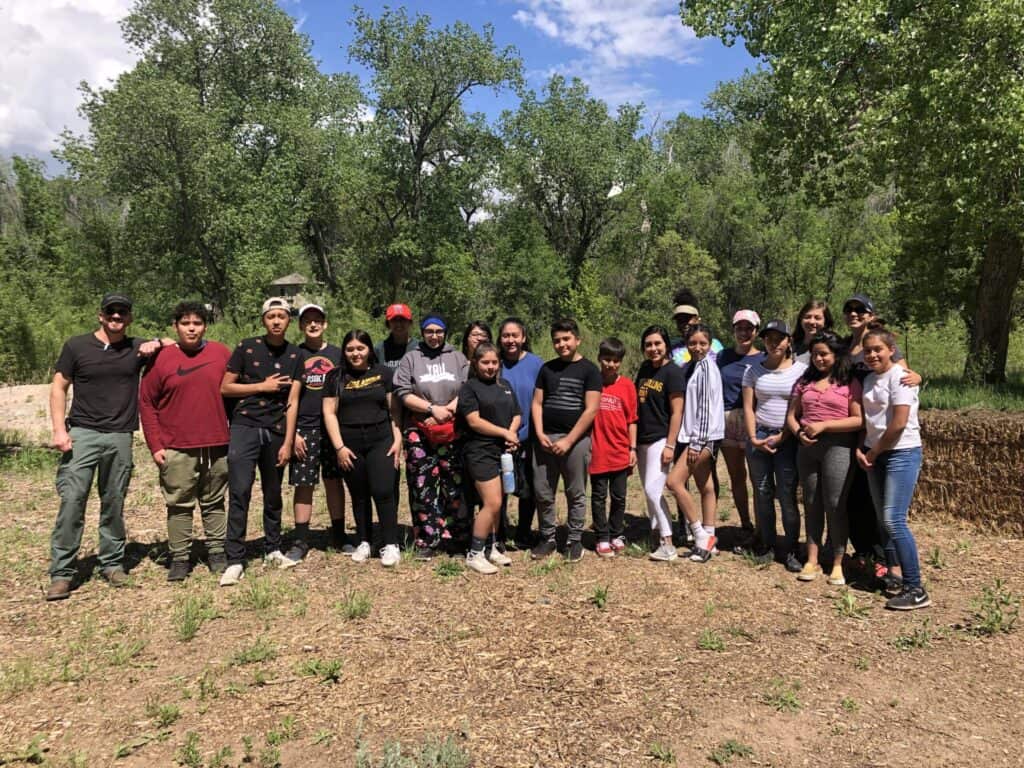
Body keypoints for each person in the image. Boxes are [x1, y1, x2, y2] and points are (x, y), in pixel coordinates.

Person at [46, 293, 162, 600]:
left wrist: (158, 342)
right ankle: (62, 573)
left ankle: (112, 563)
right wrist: (59, 430)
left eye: (122, 313)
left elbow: (178, 344)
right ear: (101, 315)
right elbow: (59, 386)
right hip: (82, 433)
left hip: (120, 436)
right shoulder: (76, 346)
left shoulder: (137, 348)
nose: (116, 317)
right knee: (72, 500)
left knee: (114, 502)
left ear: (130, 318)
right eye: (111, 312)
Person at [139, 301, 232, 582]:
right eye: (185, 323)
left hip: (216, 443)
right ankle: (179, 557)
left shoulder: (220, 353)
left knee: (215, 501)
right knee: (179, 504)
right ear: (175, 326)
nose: (192, 328)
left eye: (197, 323)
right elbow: (146, 403)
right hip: (176, 446)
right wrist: (156, 445)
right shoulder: (162, 358)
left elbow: (236, 393)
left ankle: (217, 552)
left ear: (205, 326)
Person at [218, 297, 304, 586]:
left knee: (273, 492)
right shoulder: (246, 347)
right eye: (271, 316)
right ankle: (234, 558)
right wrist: (262, 386)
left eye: (281, 316)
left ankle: (273, 547)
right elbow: (225, 387)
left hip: (277, 430)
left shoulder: (296, 355)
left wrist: (288, 441)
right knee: (240, 491)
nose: (276, 321)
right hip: (245, 426)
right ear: (263, 320)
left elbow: (292, 402)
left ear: (289, 320)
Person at [841, 294, 921, 583]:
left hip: (892, 446)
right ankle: (885, 564)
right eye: (848, 309)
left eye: (859, 309)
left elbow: (905, 379)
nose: (853, 313)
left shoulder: (890, 363)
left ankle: (907, 577)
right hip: (863, 438)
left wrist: (917, 377)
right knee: (867, 505)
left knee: (891, 517)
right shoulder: (846, 349)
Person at [856, 323, 930, 610]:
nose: (873, 354)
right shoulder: (870, 379)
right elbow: (869, 421)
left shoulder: (901, 377)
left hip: (901, 452)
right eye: (868, 350)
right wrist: (863, 450)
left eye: (878, 349)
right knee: (881, 518)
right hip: (875, 452)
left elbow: (898, 424)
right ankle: (894, 574)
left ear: (891, 350)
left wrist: (872, 452)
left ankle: (916, 587)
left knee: (894, 519)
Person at [322, 330, 404, 567]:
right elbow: (329, 412)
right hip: (349, 443)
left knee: (383, 490)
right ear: (344, 352)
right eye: (350, 349)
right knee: (358, 494)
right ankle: (365, 540)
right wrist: (339, 447)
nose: (355, 354)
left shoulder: (384, 374)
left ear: (369, 350)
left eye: (360, 348)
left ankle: (390, 543)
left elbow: (395, 411)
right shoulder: (335, 377)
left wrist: (398, 439)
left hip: (382, 441)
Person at [785, 332, 862, 585]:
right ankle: (812, 558)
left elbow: (859, 419)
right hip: (807, 447)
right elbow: (791, 415)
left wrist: (826, 426)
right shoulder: (803, 381)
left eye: (824, 354)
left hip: (837, 447)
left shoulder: (848, 382)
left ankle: (838, 561)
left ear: (836, 355)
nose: (818, 359)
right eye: (815, 354)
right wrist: (798, 432)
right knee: (811, 502)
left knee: (835, 503)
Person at [393, 314, 469, 559]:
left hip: (451, 429)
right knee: (421, 486)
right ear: (422, 332)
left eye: (438, 331)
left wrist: (448, 410)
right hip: (419, 430)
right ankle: (427, 540)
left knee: (453, 485)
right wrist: (430, 409)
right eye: (429, 331)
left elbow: (468, 387)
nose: (434, 336)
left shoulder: (457, 357)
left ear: (445, 332)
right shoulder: (412, 358)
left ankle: (455, 539)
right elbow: (403, 391)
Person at [530, 319, 602, 563]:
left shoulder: (590, 370)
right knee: (543, 491)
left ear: (577, 340)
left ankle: (574, 539)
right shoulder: (547, 369)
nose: (561, 344)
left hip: (576, 441)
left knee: (576, 492)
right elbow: (537, 403)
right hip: (545, 440)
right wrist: (540, 434)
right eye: (557, 340)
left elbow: (591, 410)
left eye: (566, 339)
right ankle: (548, 537)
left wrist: (569, 440)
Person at [281, 304, 348, 566]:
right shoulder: (294, 355)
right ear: (300, 326)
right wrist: (293, 432)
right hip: (304, 429)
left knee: (334, 481)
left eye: (317, 320)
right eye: (307, 321)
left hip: (332, 429)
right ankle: (300, 539)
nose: (312, 325)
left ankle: (339, 534)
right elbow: (287, 398)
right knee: (304, 484)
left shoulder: (337, 354)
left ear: (325, 324)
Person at [742, 319, 808, 571]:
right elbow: (749, 407)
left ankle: (791, 548)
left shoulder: (800, 370)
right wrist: (753, 437)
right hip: (759, 435)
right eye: (769, 338)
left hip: (787, 439)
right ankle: (767, 545)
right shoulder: (753, 371)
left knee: (787, 495)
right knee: (762, 492)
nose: (774, 343)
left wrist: (783, 435)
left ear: (789, 340)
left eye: (779, 338)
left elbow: (801, 409)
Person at [458, 342, 521, 573]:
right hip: (479, 451)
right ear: (475, 363)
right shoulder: (469, 388)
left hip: (502, 452)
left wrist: (511, 433)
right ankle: (474, 554)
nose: (490, 367)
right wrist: (504, 432)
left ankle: (491, 547)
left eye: (494, 362)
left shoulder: (504, 385)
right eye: (485, 362)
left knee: (499, 502)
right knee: (492, 502)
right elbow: (474, 421)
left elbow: (517, 414)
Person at [666, 324, 725, 563]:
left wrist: (696, 442)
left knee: (674, 482)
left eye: (702, 343)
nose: (697, 347)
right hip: (707, 436)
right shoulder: (696, 366)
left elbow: (704, 408)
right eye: (693, 343)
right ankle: (711, 536)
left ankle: (700, 535)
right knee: (706, 485)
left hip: (701, 438)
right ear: (686, 345)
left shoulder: (705, 369)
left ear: (710, 345)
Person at [634, 325, 685, 561]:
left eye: (657, 344)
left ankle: (668, 542)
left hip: (661, 438)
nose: (653, 349)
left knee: (655, 490)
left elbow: (677, 412)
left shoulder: (673, 373)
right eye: (648, 345)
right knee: (647, 489)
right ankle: (655, 534)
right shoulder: (645, 369)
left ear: (666, 346)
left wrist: (670, 445)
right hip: (643, 438)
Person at [716, 310, 764, 537]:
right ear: (733, 330)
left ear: (756, 331)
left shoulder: (763, 358)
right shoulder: (722, 356)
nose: (743, 333)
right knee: (736, 475)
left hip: (753, 419)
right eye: (739, 328)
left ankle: (763, 526)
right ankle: (745, 522)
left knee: (758, 476)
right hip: (727, 419)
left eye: (748, 328)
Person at [589, 338, 638, 558]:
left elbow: (632, 420)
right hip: (598, 450)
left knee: (619, 496)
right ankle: (601, 535)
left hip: (620, 449)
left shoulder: (627, 385)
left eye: (616, 360)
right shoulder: (591, 382)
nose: (611, 364)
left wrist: (632, 448)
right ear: (599, 359)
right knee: (598, 496)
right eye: (607, 359)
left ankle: (617, 533)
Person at [498, 318, 544, 549]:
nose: (510, 340)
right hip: (499, 436)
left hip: (530, 436)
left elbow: (542, 401)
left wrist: (525, 433)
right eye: (506, 335)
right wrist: (505, 435)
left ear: (524, 337)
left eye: (515, 335)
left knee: (529, 488)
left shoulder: (536, 364)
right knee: (501, 488)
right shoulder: (494, 363)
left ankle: (524, 532)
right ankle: (499, 532)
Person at [669, 288, 724, 366]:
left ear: (698, 319)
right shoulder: (672, 349)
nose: (684, 323)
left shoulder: (715, 346)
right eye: (680, 320)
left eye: (687, 318)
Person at [374, 303, 418, 370]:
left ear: (410, 323)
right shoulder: (379, 350)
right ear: (388, 324)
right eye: (394, 320)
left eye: (402, 319)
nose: (398, 324)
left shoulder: (419, 348)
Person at [792, 300, 834, 364]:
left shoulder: (834, 348)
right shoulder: (790, 346)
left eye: (817, 318)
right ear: (801, 320)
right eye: (807, 317)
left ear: (826, 322)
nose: (811, 321)